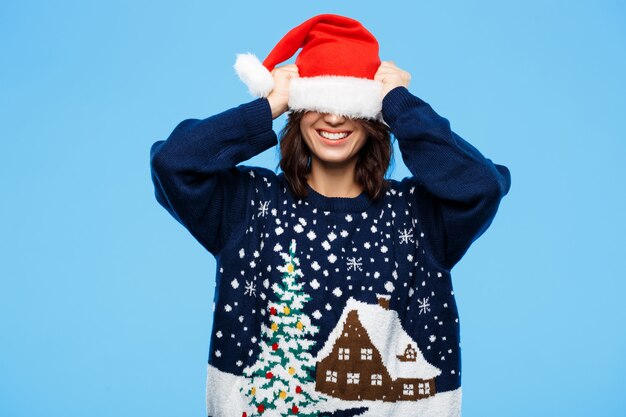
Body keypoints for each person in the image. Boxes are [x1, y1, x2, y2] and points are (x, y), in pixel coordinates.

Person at [150, 14, 511, 417]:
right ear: (299, 109)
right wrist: (266, 106)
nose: (335, 118)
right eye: (320, 102)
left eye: (349, 105)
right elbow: (172, 163)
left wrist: (402, 107)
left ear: (372, 116)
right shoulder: (249, 206)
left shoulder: (418, 216)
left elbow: (483, 185)